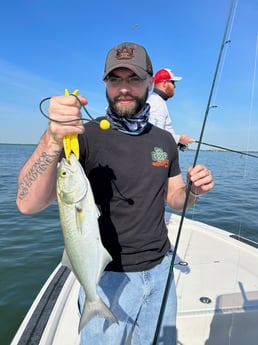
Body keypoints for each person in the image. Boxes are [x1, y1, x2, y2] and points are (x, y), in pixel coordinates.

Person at [16, 41, 214, 345]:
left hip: (162, 271)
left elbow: (175, 198)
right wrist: (52, 137)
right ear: (105, 84)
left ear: (150, 81)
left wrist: (193, 191)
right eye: (115, 79)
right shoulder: (83, 136)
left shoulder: (165, 141)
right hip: (107, 277)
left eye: (134, 79)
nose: (124, 88)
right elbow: (27, 203)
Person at [148, 68, 194, 148]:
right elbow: (155, 133)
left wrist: (178, 142)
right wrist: (180, 139)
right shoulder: (156, 103)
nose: (175, 86)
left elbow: (164, 131)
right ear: (165, 83)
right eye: (173, 82)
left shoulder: (158, 101)